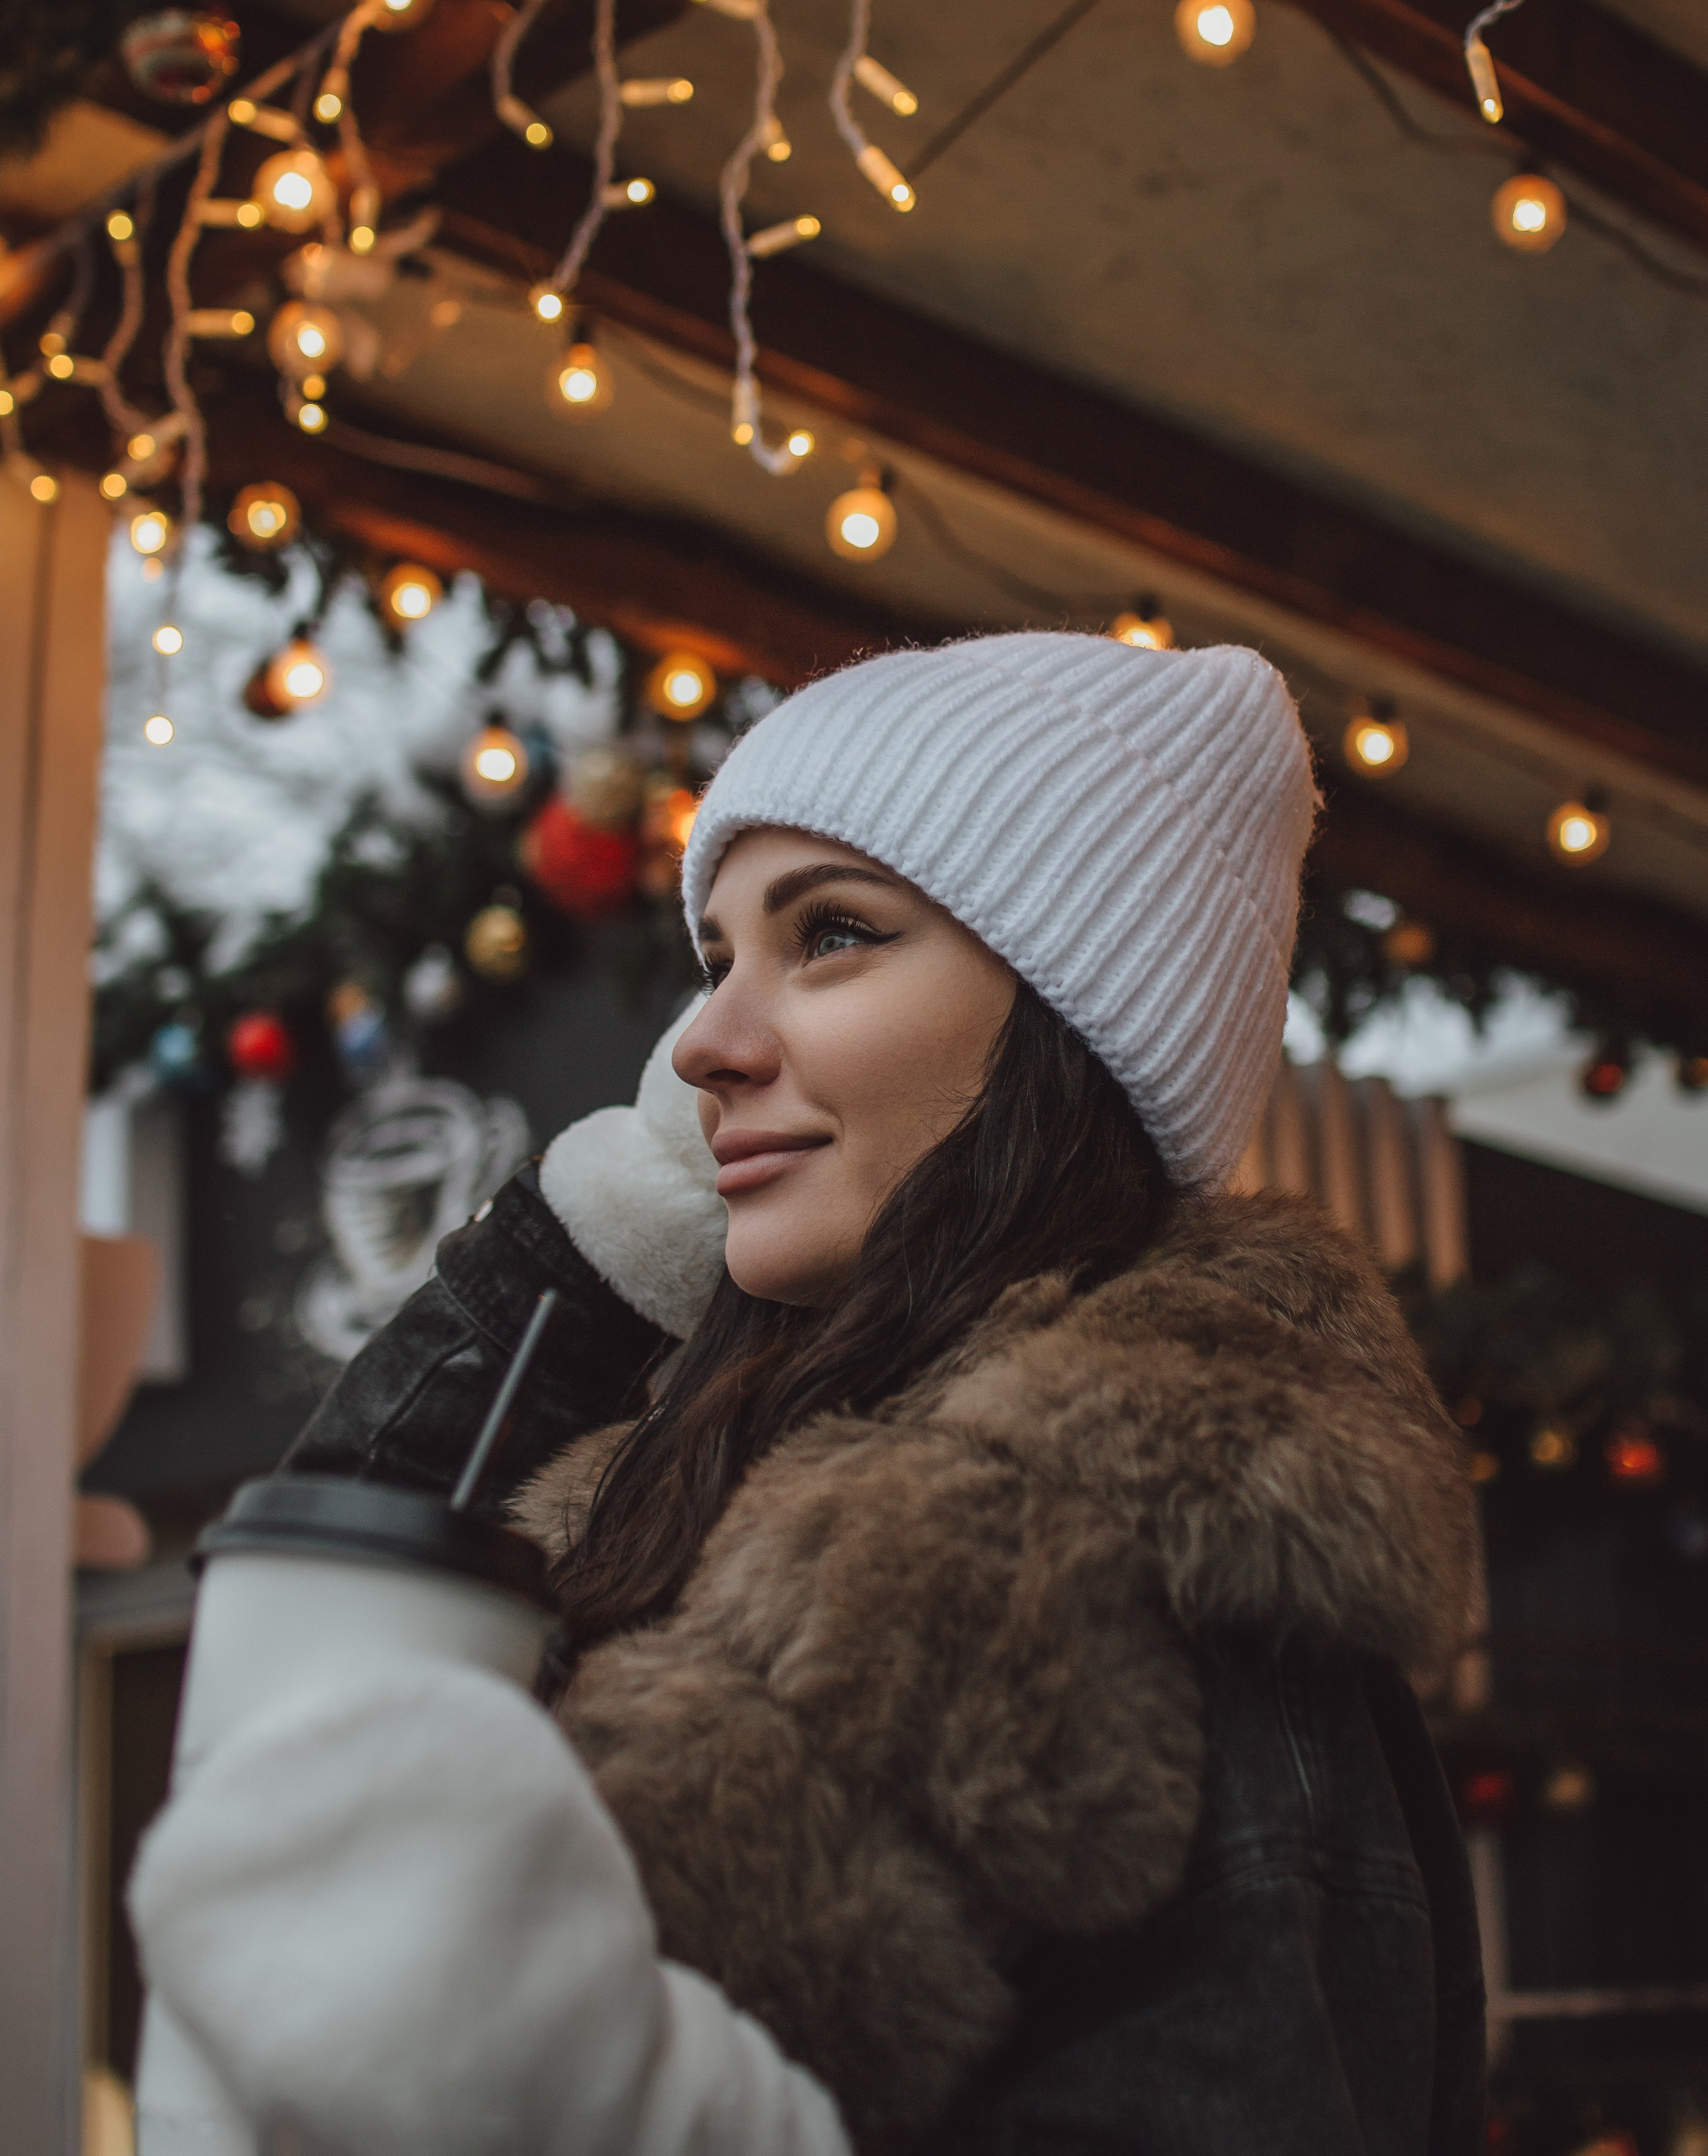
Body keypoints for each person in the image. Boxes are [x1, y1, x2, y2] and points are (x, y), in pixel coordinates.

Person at [132, 632, 1485, 2156]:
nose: (697, 1046)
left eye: (829, 934)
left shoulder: (1187, 1586)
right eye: (716, 960)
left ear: (1070, 1022)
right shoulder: (675, 1485)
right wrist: (589, 1249)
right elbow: (318, 1656)